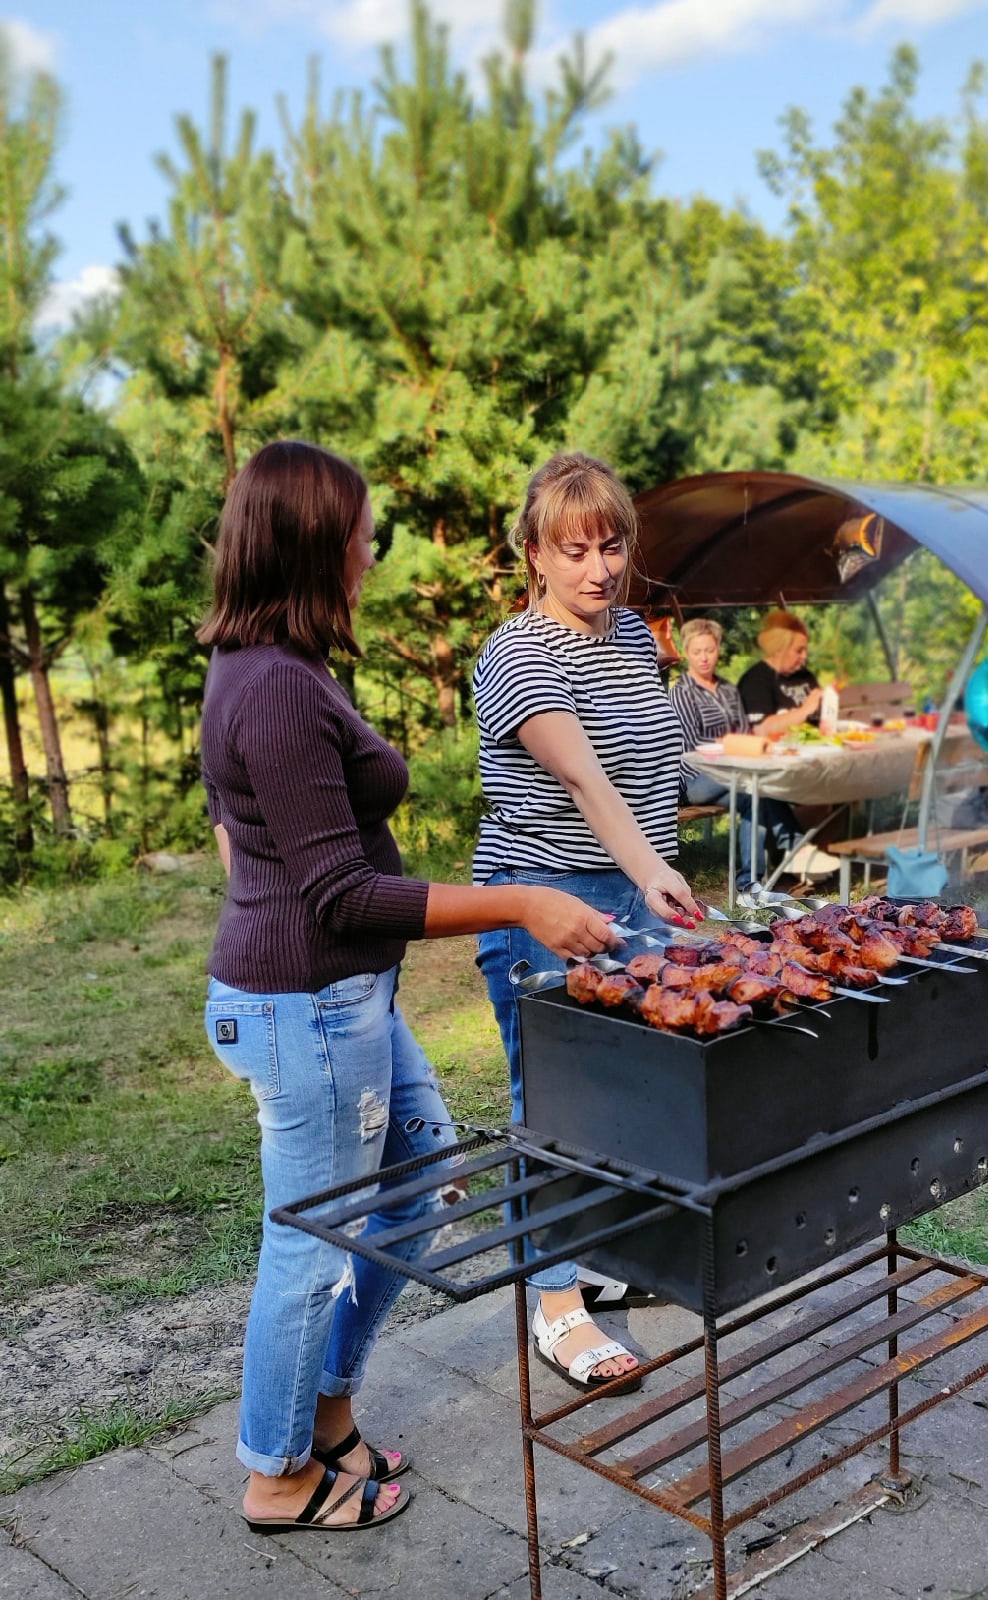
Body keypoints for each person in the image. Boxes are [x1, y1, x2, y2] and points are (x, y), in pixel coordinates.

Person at [199, 440, 618, 1535]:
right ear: (312, 546)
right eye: (360, 534)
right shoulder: (274, 687)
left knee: (418, 1182)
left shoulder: (276, 665)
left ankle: (326, 1410)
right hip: (310, 1010)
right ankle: (277, 1475)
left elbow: (249, 828)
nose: (372, 551)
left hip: (342, 1002)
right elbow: (341, 894)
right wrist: (521, 901)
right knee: (309, 1242)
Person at [472, 451, 702, 1393]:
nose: (597, 569)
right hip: (543, 899)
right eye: (573, 551)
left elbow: (649, 768)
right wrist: (650, 871)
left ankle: (601, 1254)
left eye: (611, 546)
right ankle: (554, 1304)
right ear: (533, 552)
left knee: (635, 1092)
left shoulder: (632, 636)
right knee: (557, 1105)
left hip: (633, 897)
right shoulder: (517, 652)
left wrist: (664, 858)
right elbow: (582, 777)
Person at [670, 617, 837, 884]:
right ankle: (796, 848)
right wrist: (735, 749)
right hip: (697, 778)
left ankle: (749, 884)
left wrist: (745, 747)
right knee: (755, 782)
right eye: (697, 651)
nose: (704, 658)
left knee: (755, 793)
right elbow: (693, 747)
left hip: (736, 772)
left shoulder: (727, 689)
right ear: (687, 653)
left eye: (709, 650)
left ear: (718, 649)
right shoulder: (681, 693)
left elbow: (745, 730)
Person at [736, 608, 824, 735]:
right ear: (779, 650)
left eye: (805, 650)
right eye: (799, 651)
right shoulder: (755, 682)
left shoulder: (805, 676)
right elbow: (760, 729)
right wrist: (804, 711)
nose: (804, 656)